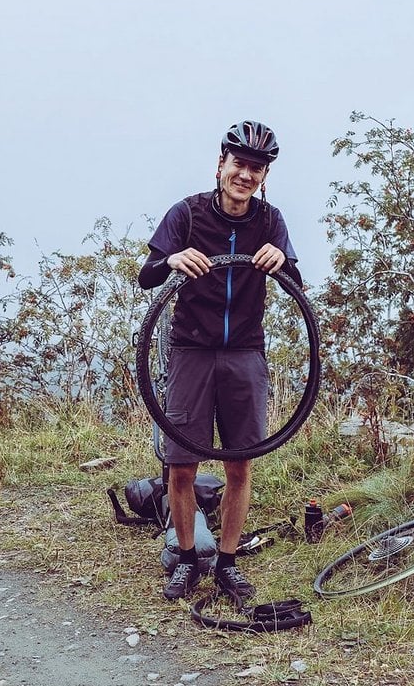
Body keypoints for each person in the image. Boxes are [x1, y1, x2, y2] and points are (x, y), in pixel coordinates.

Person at [138, 120, 302, 601]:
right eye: (239, 164)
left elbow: (296, 280)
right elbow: (147, 276)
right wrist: (171, 260)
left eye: (256, 168)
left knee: (239, 464)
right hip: (190, 349)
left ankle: (227, 563)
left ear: (264, 175)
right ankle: (187, 561)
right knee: (181, 466)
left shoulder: (269, 222)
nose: (246, 175)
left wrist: (281, 260)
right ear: (220, 164)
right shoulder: (187, 215)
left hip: (245, 352)